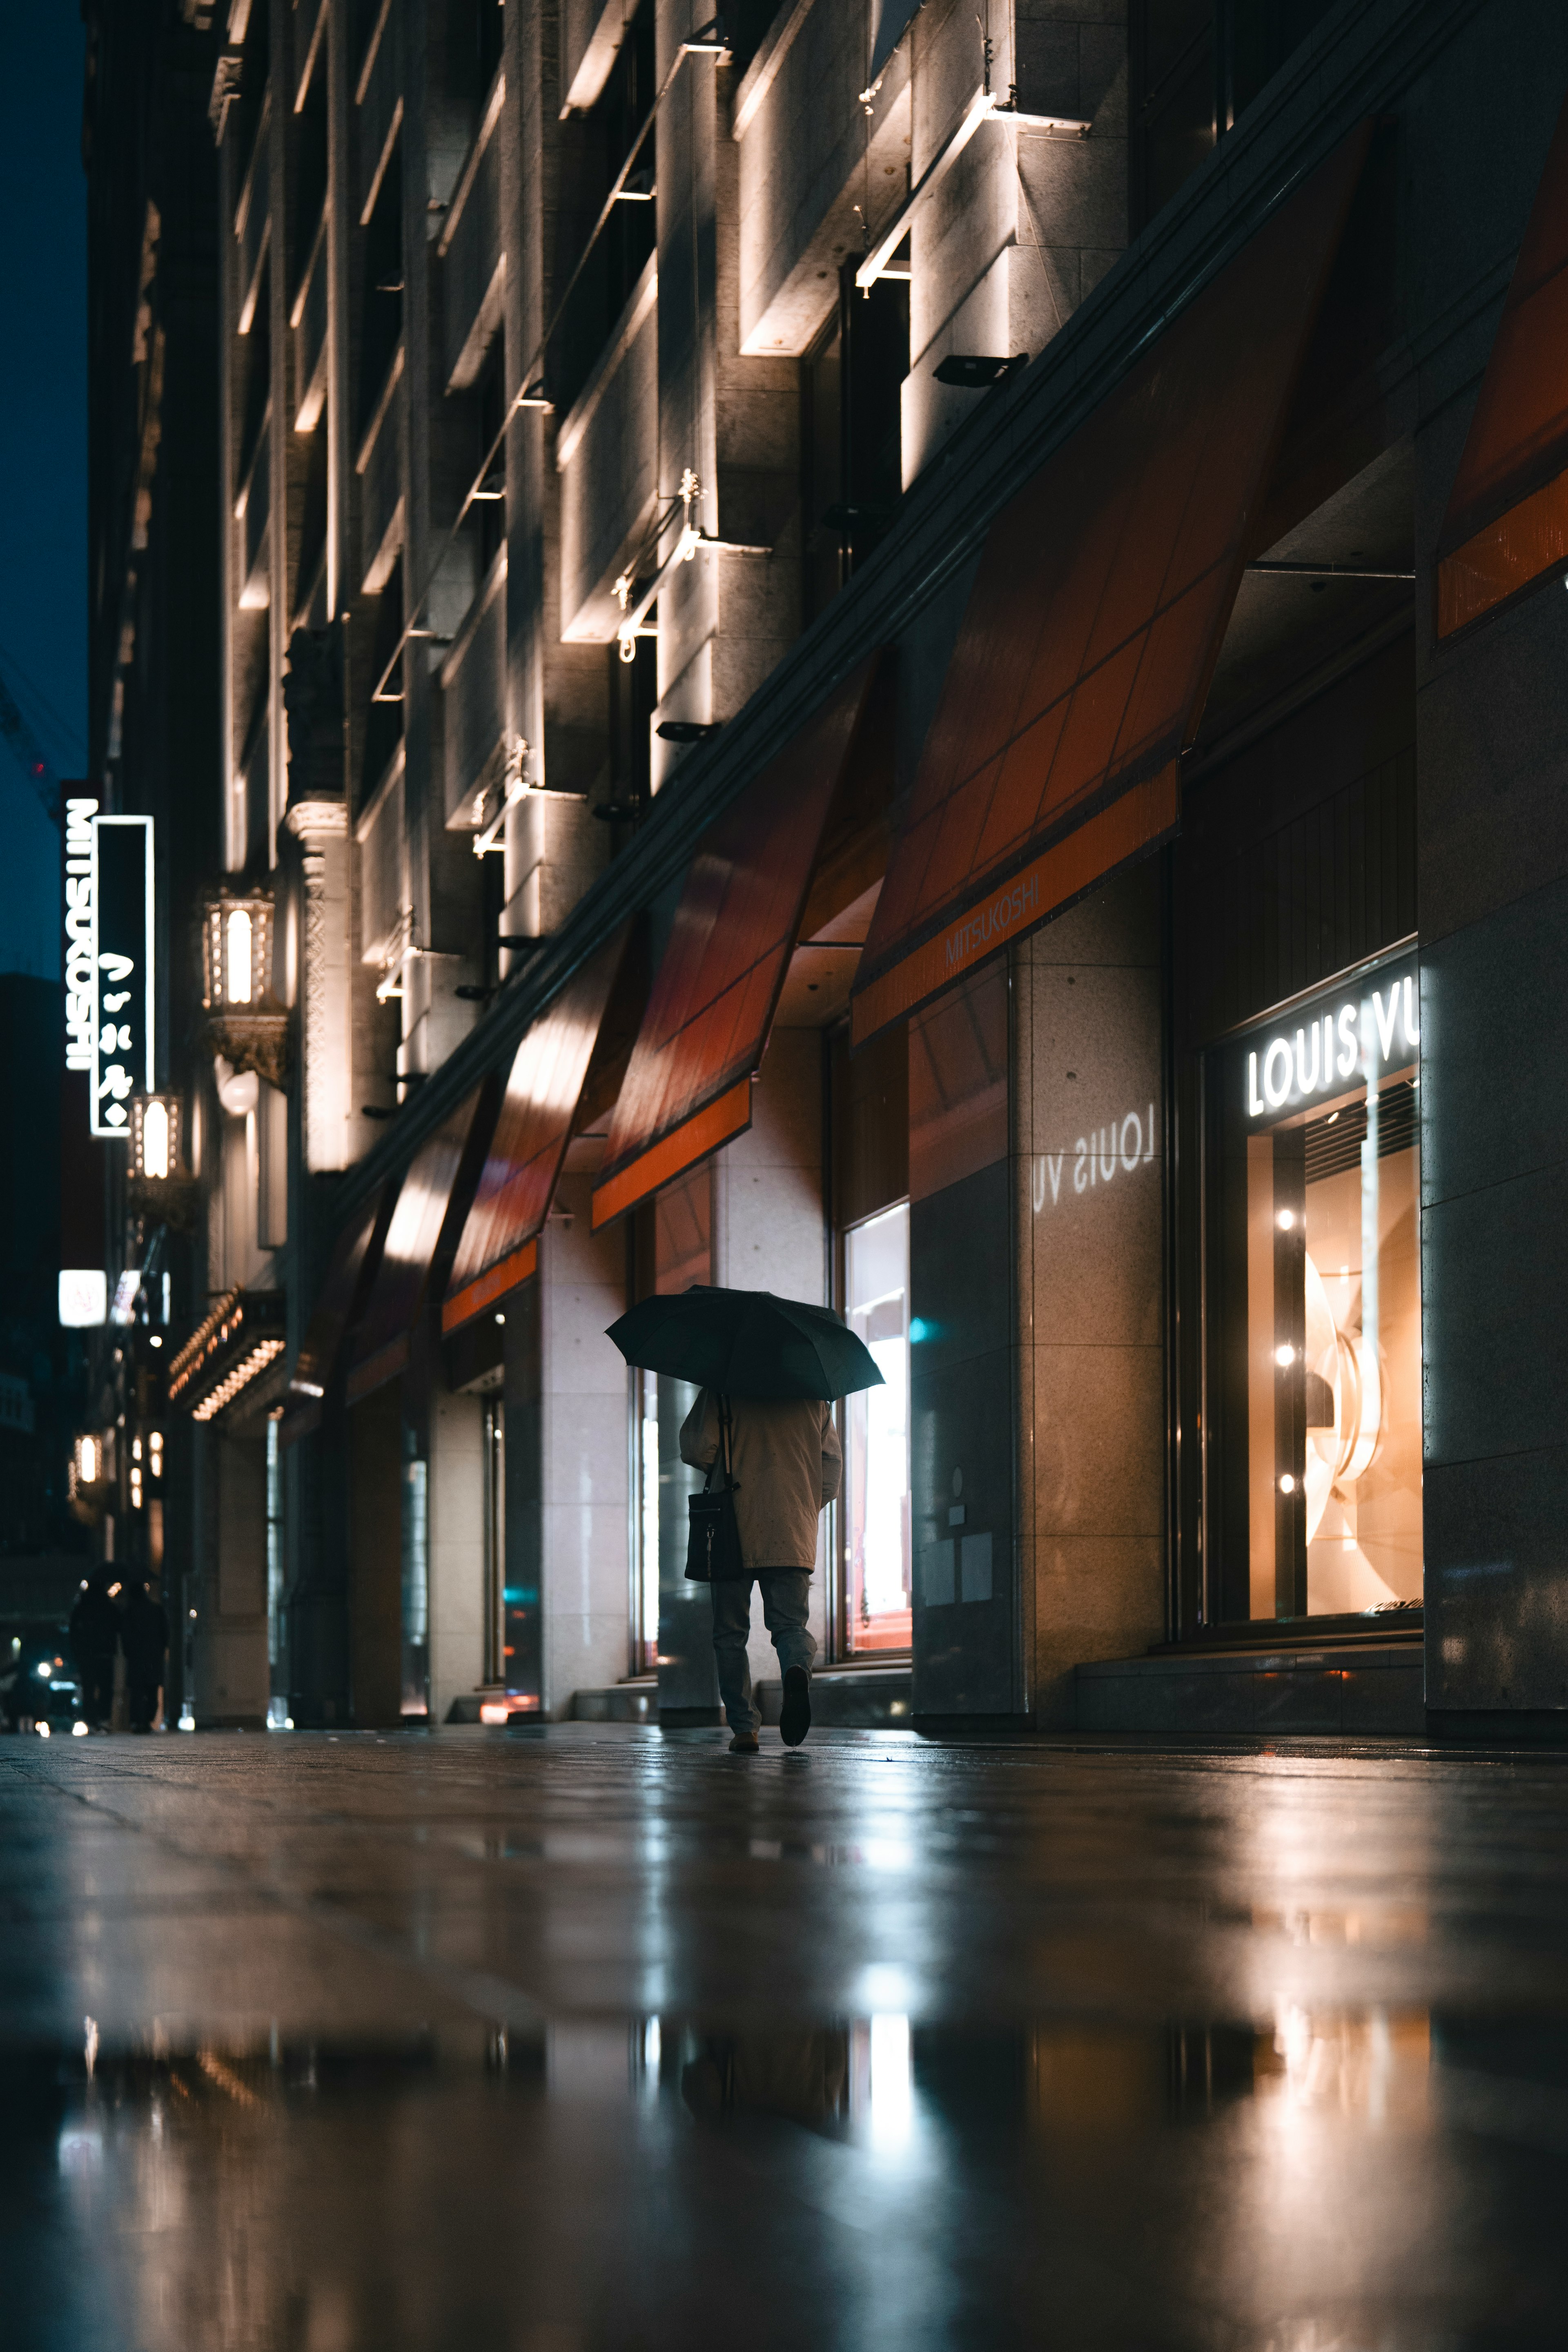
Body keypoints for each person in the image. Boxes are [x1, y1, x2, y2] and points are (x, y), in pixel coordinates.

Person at [679, 1390, 842, 1753]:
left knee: (730, 1633)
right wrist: (799, 1502)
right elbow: (830, 1469)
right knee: (790, 1626)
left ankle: (745, 1729)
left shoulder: (722, 1389)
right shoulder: (813, 1398)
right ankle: (795, 1669)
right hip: (792, 1529)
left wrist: (726, 1460)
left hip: (731, 1525)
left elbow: (695, 1449)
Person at [69, 1574, 120, 1731]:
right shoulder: (108, 1606)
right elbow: (117, 1626)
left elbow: (73, 1633)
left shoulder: (82, 1607)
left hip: (87, 1654)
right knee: (106, 1688)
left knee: (89, 1688)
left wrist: (77, 1652)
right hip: (104, 1653)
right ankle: (104, 1719)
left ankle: (91, 1720)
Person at [121, 1579, 169, 1733]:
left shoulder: (130, 1611)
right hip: (154, 1657)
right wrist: (161, 1649)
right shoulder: (157, 1610)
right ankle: (149, 1719)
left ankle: (138, 1721)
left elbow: (126, 1635)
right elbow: (166, 1633)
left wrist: (128, 1651)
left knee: (137, 1691)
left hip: (136, 1657)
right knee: (152, 1690)